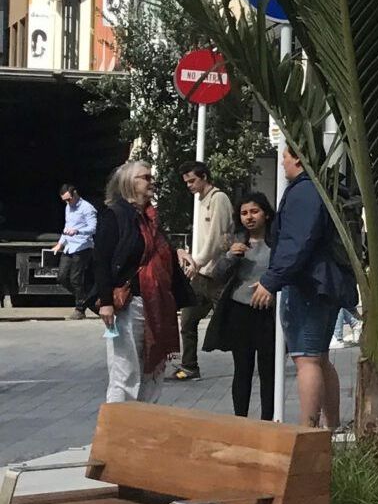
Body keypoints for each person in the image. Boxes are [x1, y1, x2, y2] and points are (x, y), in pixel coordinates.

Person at [259, 147, 357, 430]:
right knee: (320, 357)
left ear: (299, 158)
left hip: (308, 285)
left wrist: (272, 280)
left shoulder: (304, 191)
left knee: (307, 358)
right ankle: (330, 426)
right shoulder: (327, 189)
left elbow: (296, 241)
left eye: (285, 157)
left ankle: (309, 428)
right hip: (327, 283)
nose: (282, 163)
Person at [90, 161, 189, 404]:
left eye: (151, 177)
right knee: (125, 371)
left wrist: (175, 253)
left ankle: (144, 428)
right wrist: (105, 302)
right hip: (129, 303)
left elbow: (159, 252)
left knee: (153, 371)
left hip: (157, 303)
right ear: (128, 184)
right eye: (145, 177)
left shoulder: (150, 218)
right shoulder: (114, 215)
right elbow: (101, 260)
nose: (151, 181)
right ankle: (118, 432)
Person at [203, 193, 276, 419]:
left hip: (268, 314)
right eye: (244, 213)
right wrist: (230, 256)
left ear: (266, 213)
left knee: (268, 371)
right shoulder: (235, 241)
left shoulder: (279, 243)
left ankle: (268, 419)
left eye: (254, 212)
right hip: (239, 311)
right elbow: (216, 274)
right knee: (242, 369)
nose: (249, 217)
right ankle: (240, 419)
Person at [175, 161, 233, 380]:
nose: (189, 185)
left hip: (218, 273)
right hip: (201, 274)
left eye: (193, 180)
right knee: (188, 320)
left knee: (230, 321)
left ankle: (259, 355)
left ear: (205, 177)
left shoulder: (218, 199)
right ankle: (189, 366)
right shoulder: (200, 201)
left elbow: (217, 239)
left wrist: (197, 262)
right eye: (187, 182)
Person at [53, 185, 96, 319]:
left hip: (82, 246)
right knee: (62, 277)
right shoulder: (68, 207)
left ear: (75, 193)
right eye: (65, 200)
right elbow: (67, 226)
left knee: (75, 278)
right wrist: (60, 243)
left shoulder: (87, 208)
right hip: (69, 246)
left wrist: (78, 231)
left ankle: (80, 309)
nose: (67, 202)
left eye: (69, 199)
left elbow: (93, 228)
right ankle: (87, 298)